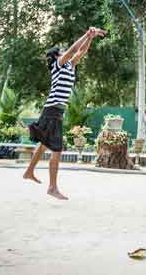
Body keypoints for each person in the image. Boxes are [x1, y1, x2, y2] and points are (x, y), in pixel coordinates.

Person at [23, 27, 106, 200]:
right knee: (57, 149)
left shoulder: (70, 65)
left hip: (55, 112)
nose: (64, 52)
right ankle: (52, 187)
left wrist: (90, 38)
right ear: (56, 56)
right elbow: (73, 50)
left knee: (45, 144)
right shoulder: (58, 65)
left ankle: (29, 171)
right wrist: (86, 34)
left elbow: (81, 51)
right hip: (52, 111)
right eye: (61, 51)